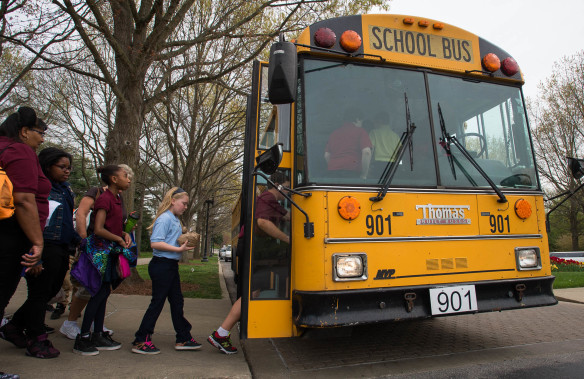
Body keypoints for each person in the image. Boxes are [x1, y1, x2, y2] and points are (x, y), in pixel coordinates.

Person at [208, 171, 290, 355]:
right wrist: (287, 239)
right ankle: (221, 333)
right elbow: (262, 222)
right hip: (254, 247)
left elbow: (286, 217)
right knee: (251, 293)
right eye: (287, 185)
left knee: (256, 291)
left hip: (256, 247)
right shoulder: (268, 197)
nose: (290, 190)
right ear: (278, 184)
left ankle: (223, 332)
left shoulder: (271, 201)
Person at [0, 108, 56, 359]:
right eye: (40, 133)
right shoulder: (20, 151)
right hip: (10, 236)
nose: (42, 139)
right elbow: (23, 199)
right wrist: (37, 241)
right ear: (24, 132)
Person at [59, 165, 134, 338]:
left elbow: (114, 224)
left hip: (110, 250)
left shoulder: (117, 198)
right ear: (114, 178)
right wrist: (86, 241)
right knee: (91, 289)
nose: (129, 179)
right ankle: (80, 332)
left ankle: (96, 330)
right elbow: (94, 225)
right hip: (97, 250)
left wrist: (124, 232)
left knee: (103, 291)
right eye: (125, 175)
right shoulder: (102, 196)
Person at [131, 187, 198, 355]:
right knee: (158, 303)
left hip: (170, 266)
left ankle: (183, 338)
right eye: (183, 203)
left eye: (187, 204)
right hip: (162, 265)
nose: (185, 207)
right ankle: (141, 340)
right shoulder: (165, 218)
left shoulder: (175, 219)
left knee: (177, 302)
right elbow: (155, 243)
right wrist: (178, 250)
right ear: (173, 201)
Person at [37, 147, 81, 326]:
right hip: (47, 244)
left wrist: (78, 240)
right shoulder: (41, 187)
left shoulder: (66, 189)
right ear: (48, 167)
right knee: (41, 291)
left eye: (69, 167)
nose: (67, 171)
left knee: (55, 288)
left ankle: (19, 325)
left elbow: (67, 221)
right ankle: (32, 331)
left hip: (64, 245)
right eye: (62, 167)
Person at [324, 108, 372, 180]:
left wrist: (335, 166)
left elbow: (326, 155)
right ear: (357, 119)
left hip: (332, 172)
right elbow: (367, 152)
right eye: (361, 121)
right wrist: (364, 175)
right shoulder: (361, 132)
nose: (361, 124)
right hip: (352, 172)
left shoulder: (334, 133)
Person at [368, 111, 401, 177]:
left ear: (379, 121)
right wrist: (399, 166)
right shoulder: (395, 136)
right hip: (392, 165)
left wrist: (368, 165)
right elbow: (400, 153)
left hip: (378, 165)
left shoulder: (374, 133)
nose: (374, 124)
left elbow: (370, 149)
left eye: (374, 121)